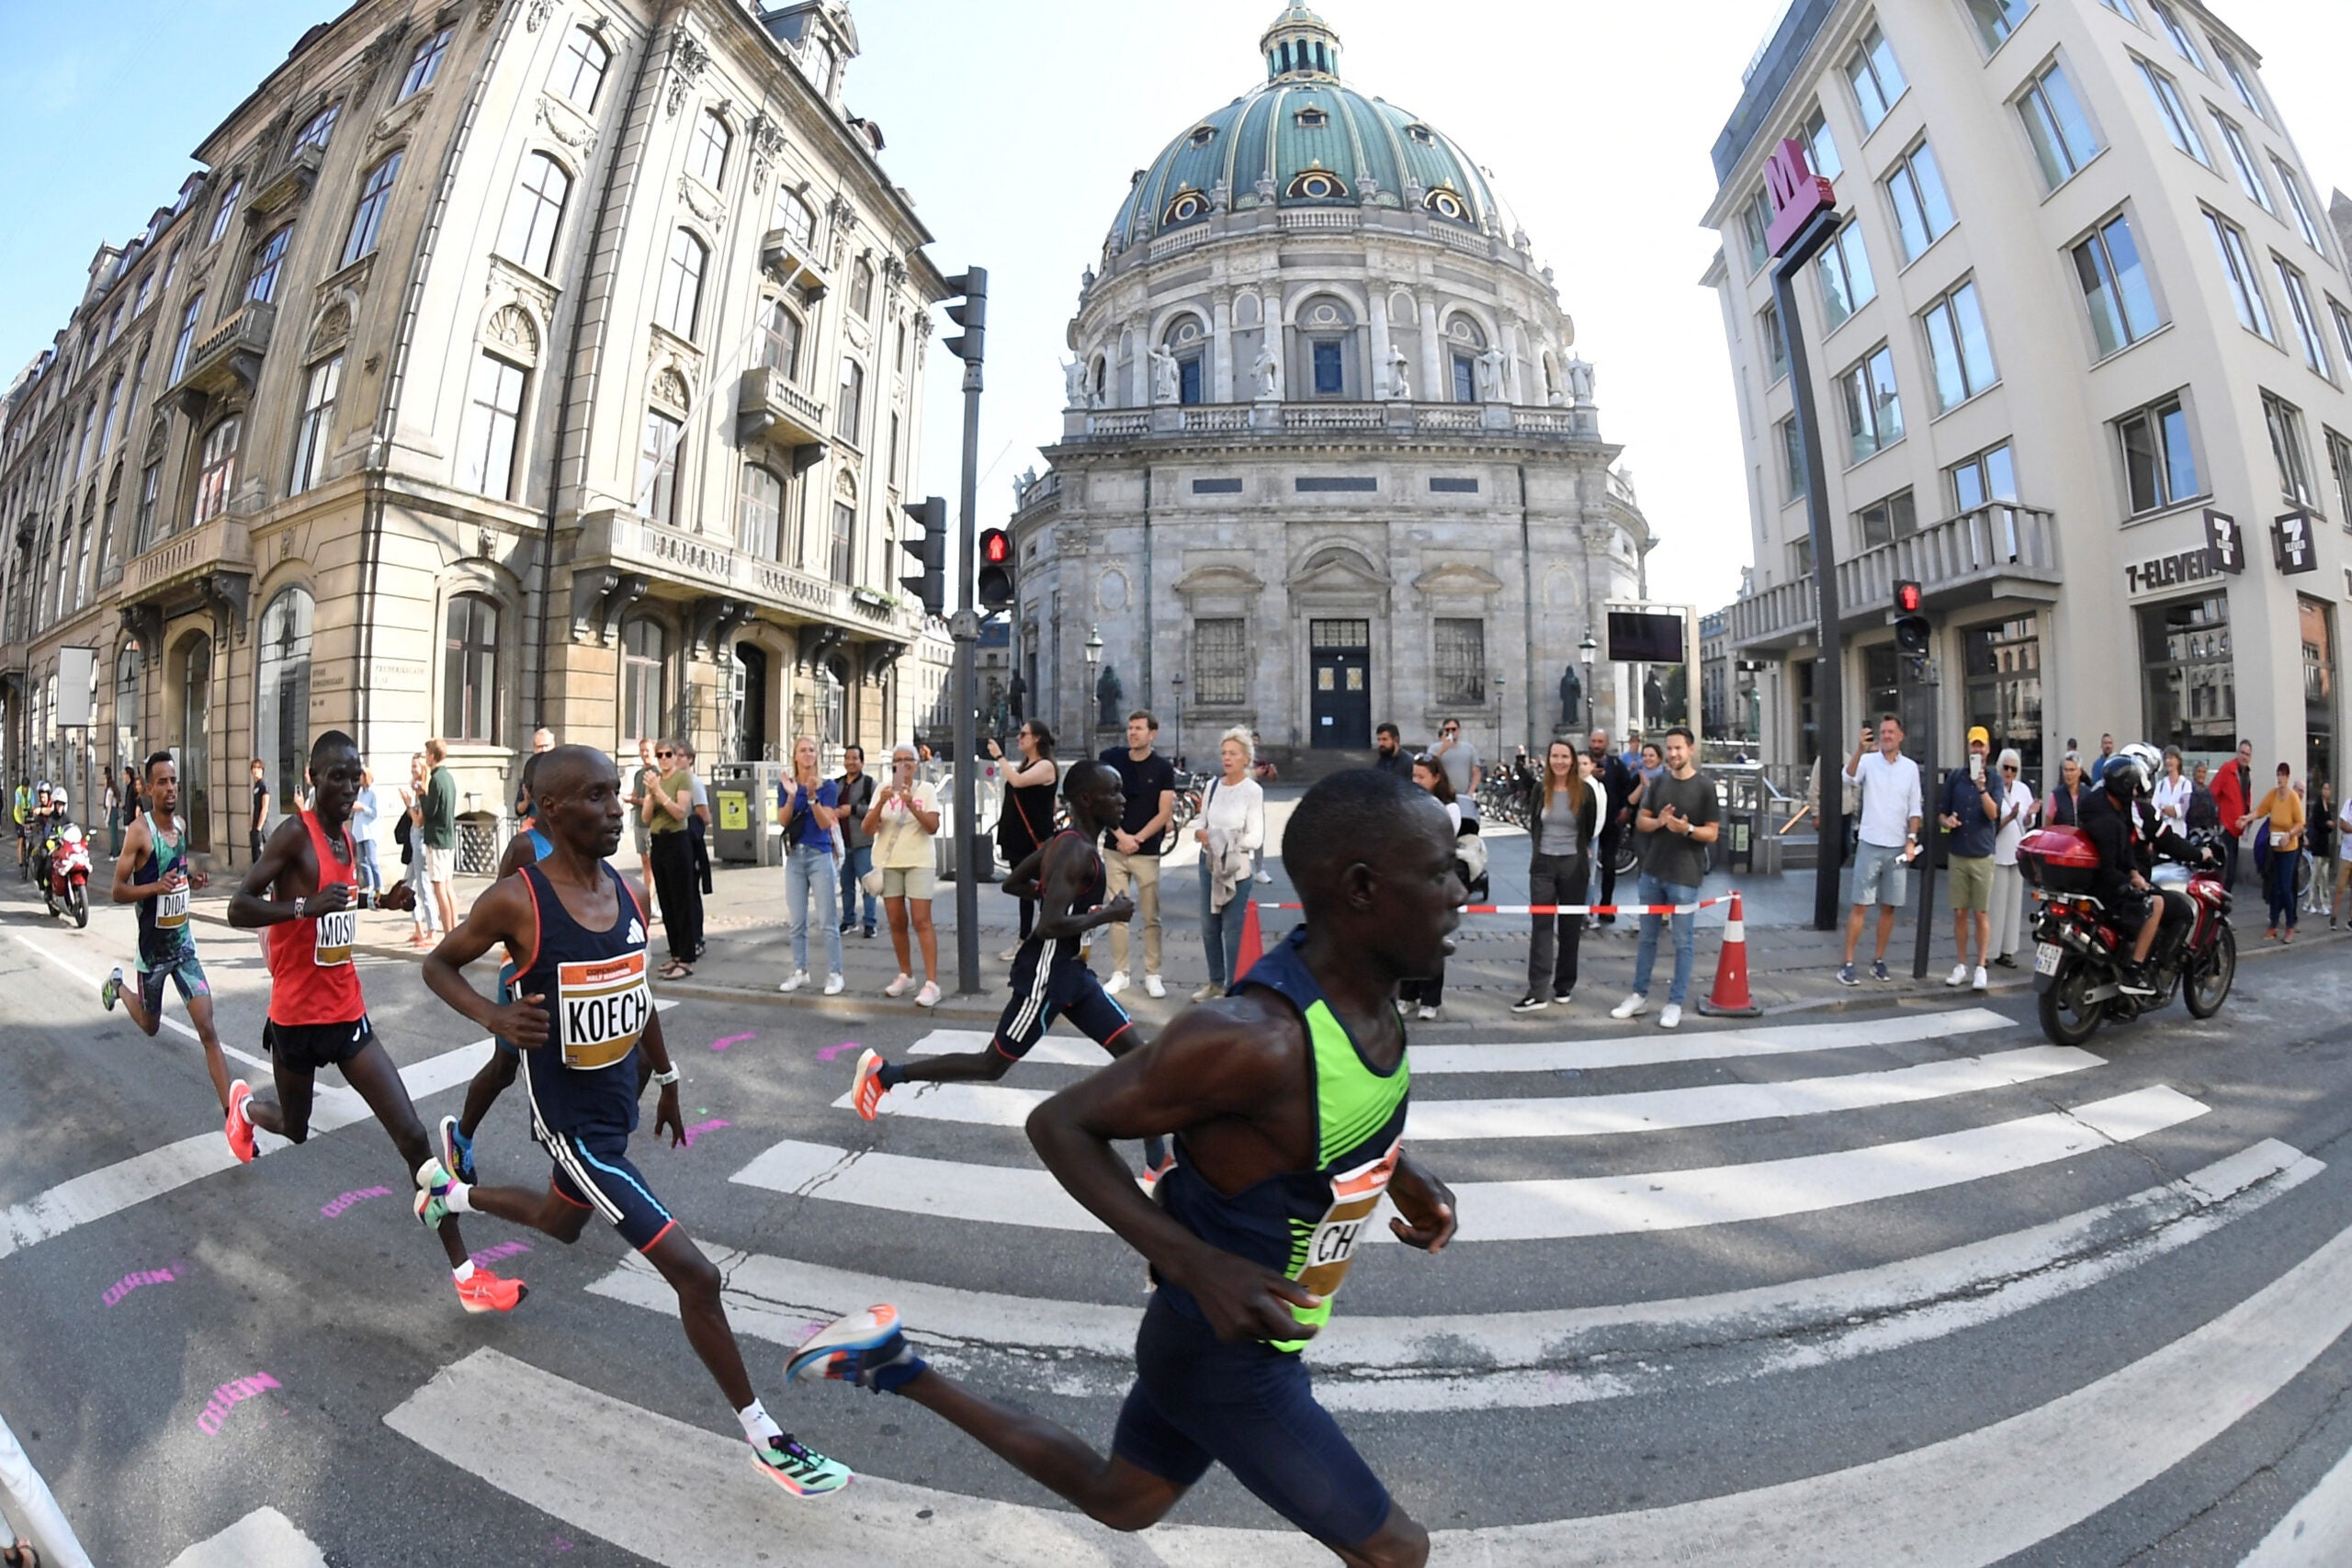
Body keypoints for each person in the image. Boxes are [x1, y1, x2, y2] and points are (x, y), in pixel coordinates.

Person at [798, 768, 1459, 1568]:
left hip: (1215, 1337)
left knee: (1123, 1498)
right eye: (1438, 870)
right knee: (1397, 1552)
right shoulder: (1254, 1036)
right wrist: (1196, 1262)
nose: (1460, 887)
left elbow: (1321, 1117)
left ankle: (894, 1364)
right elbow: (1061, 1124)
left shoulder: (1368, 993)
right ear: (1362, 889)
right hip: (1229, 1356)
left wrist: (1396, 1166)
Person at [418, 745, 852, 1497]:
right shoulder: (517, 899)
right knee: (696, 1273)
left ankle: (446, 1198)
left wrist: (671, 1077)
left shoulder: (624, 889)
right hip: (573, 1128)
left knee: (560, 1220)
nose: (617, 808)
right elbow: (438, 965)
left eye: (617, 793)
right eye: (596, 796)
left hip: (617, 1105)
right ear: (552, 809)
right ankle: (767, 1436)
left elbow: (638, 991)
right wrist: (496, 1014)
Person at [223, 730, 524, 1314]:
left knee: (413, 1137)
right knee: (295, 1125)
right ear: (312, 778)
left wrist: (383, 902)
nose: (346, 784)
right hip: (294, 1021)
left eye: (354, 774)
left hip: (348, 1014)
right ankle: (245, 1109)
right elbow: (241, 906)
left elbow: (341, 905)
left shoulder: (346, 842)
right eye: (335, 774)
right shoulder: (294, 834)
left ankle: (466, 1278)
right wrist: (301, 909)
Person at [851, 761, 1169, 1179]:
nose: (1124, 799)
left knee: (1139, 1057)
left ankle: (1157, 1160)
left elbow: (1014, 883)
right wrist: (1108, 914)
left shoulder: (1068, 844)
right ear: (1088, 800)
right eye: (1115, 791)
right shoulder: (1074, 850)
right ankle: (885, 1075)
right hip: (1046, 979)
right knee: (991, 1066)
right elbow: (1049, 925)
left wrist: (1052, 892)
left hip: (1073, 975)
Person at [101, 750, 239, 1153]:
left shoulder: (179, 826)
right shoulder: (138, 833)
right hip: (153, 955)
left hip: (184, 947)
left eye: (173, 780)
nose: (170, 788)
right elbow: (117, 890)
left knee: (208, 1029)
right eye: (161, 781)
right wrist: (153, 888)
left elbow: (174, 876)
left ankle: (233, 1117)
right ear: (147, 788)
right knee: (150, 1025)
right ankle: (119, 987)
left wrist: (190, 881)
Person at [435, 764, 558, 1187]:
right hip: (525, 976)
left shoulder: (583, 839)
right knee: (506, 1069)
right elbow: (497, 904)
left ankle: (574, 1166)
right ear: (534, 794)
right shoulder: (528, 846)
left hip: (568, 977)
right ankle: (461, 1137)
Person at [1610, 726, 1719, 1030]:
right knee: (1646, 938)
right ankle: (1639, 994)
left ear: (1691, 750)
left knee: (1683, 941)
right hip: (1653, 871)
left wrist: (1688, 830)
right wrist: (1660, 821)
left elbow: (1712, 832)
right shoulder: (1658, 784)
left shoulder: (1705, 787)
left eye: (1678, 749)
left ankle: (1675, 1002)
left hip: (1685, 874)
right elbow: (1642, 822)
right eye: (1669, 748)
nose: (1672, 754)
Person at [1838, 716, 1922, 986]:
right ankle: (1848, 962)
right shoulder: (1868, 761)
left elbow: (1915, 808)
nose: (1886, 736)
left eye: (1891, 732)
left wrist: (1911, 839)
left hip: (1897, 844)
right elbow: (1847, 777)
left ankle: (1878, 960)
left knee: (1889, 907)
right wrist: (1860, 749)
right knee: (1860, 904)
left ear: (1901, 736)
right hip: (1871, 842)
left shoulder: (1910, 768)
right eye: (1883, 732)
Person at [1099, 710, 1177, 999]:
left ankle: (1152, 974)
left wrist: (1138, 839)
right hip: (1115, 848)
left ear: (1152, 733)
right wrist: (1120, 836)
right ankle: (1120, 973)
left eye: (1139, 729)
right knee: (1117, 914)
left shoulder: (1162, 768)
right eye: (1130, 728)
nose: (1132, 733)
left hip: (1146, 851)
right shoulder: (1114, 762)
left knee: (1150, 915)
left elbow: (1164, 812)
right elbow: (1102, 803)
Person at [1516, 739, 1598, 1012]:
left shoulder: (1585, 792)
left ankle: (1564, 984)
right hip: (1543, 865)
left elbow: (1589, 827)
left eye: (1565, 756)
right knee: (1541, 927)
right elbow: (1534, 823)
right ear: (1548, 759)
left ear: (1572, 760)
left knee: (1570, 928)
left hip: (1573, 865)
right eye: (1555, 756)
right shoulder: (1541, 789)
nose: (1560, 761)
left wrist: (1580, 851)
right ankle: (1537, 990)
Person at [2080, 753, 2165, 992]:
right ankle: (2134, 970)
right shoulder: (2111, 822)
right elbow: (2110, 868)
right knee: (2157, 903)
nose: (2137, 793)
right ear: (2125, 787)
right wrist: (2133, 879)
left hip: (2086, 881)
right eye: (2134, 787)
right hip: (2105, 886)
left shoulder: (2094, 803)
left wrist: (2132, 871)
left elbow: (2124, 854)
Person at [866, 744, 943, 1007]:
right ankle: (905, 974)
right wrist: (880, 804)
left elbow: (933, 826)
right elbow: (867, 829)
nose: (903, 766)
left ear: (917, 763)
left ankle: (931, 983)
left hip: (919, 861)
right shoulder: (882, 790)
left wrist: (911, 803)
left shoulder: (926, 790)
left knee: (922, 920)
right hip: (889, 863)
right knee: (896, 920)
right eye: (897, 762)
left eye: (907, 761)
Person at [1192, 728, 1266, 1001]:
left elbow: (1256, 837)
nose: (1227, 758)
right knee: (1208, 925)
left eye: (1233, 754)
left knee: (1232, 930)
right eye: (1224, 753)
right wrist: (1203, 835)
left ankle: (1232, 988)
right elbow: (1201, 825)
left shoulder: (1252, 791)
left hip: (1237, 867)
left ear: (1246, 758)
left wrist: (1224, 841)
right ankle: (1214, 982)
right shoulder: (1212, 786)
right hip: (1209, 862)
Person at [776, 736, 842, 994]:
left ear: (817, 755)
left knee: (827, 919)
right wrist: (792, 797)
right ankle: (799, 970)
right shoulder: (788, 784)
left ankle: (836, 973)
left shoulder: (827, 787)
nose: (807, 754)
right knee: (797, 920)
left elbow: (826, 823)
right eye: (802, 750)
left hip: (819, 854)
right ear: (795, 756)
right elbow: (783, 820)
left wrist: (813, 797)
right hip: (795, 855)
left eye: (811, 750)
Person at [1939, 727, 2002, 992]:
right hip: (1958, 852)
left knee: (1981, 912)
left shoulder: (1994, 779)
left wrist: (1982, 789)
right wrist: (1948, 822)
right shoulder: (1955, 777)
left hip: (1982, 853)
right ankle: (1962, 964)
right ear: (1968, 748)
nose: (1977, 750)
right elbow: (1941, 814)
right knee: (1960, 912)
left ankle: (1981, 966)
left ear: (1988, 749)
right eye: (1973, 746)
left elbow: (1993, 814)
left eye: (1981, 746)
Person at [1398, 755, 1461, 1022]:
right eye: (1414, 776)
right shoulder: (1408, 803)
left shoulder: (1449, 808)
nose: (1417, 781)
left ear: (1436, 777)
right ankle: (1407, 994)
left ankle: (1431, 998)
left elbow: (1444, 843)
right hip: (1410, 877)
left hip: (1435, 879)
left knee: (1433, 940)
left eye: (1422, 776)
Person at [990, 722, 1059, 959]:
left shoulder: (1046, 766)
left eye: (1023, 734)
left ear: (1037, 738)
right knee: (1024, 892)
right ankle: (1025, 938)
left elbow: (1018, 782)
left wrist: (999, 756)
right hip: (1017, 837)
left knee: (1038, 889)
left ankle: (1042, 939)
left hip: (1035, 840)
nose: (1019, 738)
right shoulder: (1027, 765)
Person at [644, 740, 704, 979]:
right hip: (659, 842)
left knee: (682, 901)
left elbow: (680, 812)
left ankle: (687, 958)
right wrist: (650, 795)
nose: (665, 759)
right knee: (667, 902)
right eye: (660, 755)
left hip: (678, 841)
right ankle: (676, 954)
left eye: (669, 754)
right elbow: (647, 817)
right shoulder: (655, 780)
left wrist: (659, 792)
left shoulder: (682, 779)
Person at [2244, 762, 2305, 942]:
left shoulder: (2293, 797)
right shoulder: (2273, 795)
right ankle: (2273, 925)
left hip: (2289, 848)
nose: (2280, 779)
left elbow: (2300, 824)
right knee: (2274, 887)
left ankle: (2290, 925)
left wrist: (2289, 834)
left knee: (2286, 887)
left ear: (2288, 777)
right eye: (2278, 775)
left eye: (2283, 775)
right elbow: (2261, 811)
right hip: (2274, 847)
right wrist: (2247, 818)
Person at [1988, 749, 2037, 968]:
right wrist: (2009, 817)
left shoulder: (2023, 789)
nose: (2009, 772)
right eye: (2005, 767)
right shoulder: (1993, 788)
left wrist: (2027, 816)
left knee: (2013, 904)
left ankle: (2008, 951)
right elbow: (1990, 825)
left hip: (2017, 854)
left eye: (2013, 769)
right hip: (1998, 852)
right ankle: (1990, 951)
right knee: (1995, 905)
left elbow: (2028, 823)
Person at [1588, 729, 1635, 925]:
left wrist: (1626, 809)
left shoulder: (1616, 765)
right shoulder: (1582, 762)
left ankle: (1605, 907)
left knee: (1608, 868)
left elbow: (1628, 787)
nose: (1597, 745)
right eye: (1594, 741)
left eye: (1600, 741)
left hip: (1610, 823)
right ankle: (1584, 909)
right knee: (1583, 870)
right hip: (1586, 825)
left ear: (1606, 744)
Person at [833, 745, 879, 941]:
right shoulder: (836, 784)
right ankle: (848, 920)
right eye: (847, 758)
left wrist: (852, 810)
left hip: (863, 842)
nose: (850, 762)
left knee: (868, 885)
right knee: (846, 885)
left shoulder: (869, 784)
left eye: (855, 758)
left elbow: (875, 809)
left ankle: (870, 923)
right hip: (842, 843)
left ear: (862, 762)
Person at [421, 738, 459, 941]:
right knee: (448, 886)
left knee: (439, 888)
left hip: (437, 839)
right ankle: (454, 931)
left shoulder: (436, 779)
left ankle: (448, 935)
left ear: (433, 756)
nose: (425, 757)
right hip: (449, 839)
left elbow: (429, 810)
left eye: (427, 753)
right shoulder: (449, 778)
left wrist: (421, 793)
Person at [2211, 739, 2256, 886]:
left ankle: (2224, 902)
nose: (2244, 757)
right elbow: (2212, 794)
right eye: (2242, 753)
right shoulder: (2227, 769)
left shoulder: (2246, 775)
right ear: (2237, 753)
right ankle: (2219, 903)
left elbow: (2245, 800)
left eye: (2247, 754)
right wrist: (2217, 820)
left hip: (2237, 830)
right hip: (2226, 829)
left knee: (2231, 873)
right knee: (2226, 872)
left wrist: (2248, 819)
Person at [627, 737, 661, 924]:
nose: (644, 754)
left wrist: (634, 800)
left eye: (647, 750)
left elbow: (652, 801)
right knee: (645, 862)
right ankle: (648, 900)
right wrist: (630, 798)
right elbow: (635, 794)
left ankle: (649, 901)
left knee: (651, 864)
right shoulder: (639, 774)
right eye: (642, 751)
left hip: (651, 824)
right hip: (639, 822)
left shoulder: (657, 773)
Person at [1430, 719, 1482, 825]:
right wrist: (1442, 750)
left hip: (1463, 796)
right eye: (1447, 730)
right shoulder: (1435, 748)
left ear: (1458, 730)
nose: (1451, 732)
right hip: (1441, 797)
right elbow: (1429, 767)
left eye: (1453, 729)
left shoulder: (1468, 748)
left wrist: (1470, 793)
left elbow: (1476, 771)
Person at [349, 768, 383, 897]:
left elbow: (375, 813)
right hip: (359, 831)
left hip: (369, 831)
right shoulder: (360, 793)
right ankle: (369, 885)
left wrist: (362, 807)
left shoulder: (374, 793)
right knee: (362, 860)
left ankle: (378, 885)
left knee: (372, 860)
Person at [512, 728, 555, 821]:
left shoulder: (563, 769)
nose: (543, 750)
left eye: (547, 746)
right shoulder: (530, 772)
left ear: (553, 745)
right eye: (540, 746)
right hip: (535, 826)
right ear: (534, 749)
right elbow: (519, 810)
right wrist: (527, 800)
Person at [2306, 781, 2335, 919]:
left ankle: (2325, 903)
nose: (2327, 791)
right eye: (2325, 788)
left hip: (2325, 844)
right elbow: (2317, 823)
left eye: (2328, 789)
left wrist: (2330, 825)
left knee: (2324, 876)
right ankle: (2310, 902)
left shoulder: (2327, 806)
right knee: (2316, 875)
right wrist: (2326, 824)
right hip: (2318, 844)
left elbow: (2328, 825)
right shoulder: (2318, 806)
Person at [2152, 749, 2193, 840]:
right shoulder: (2161, 785)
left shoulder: (2185, 784)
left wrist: (2163, 808)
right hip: (2162, 835)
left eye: (2171, 758)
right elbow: (2154, 811)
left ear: (2178, 761)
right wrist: (2169, 810)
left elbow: (2182, 811)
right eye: (2166, 758)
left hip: (2179, 834)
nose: (2168, 761)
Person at [2045, 751, 2087, 828]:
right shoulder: (2056, 795)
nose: (2068, 774)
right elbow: (2048, 825)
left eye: (2072, 770)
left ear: (2079, 772)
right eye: (2066, 770)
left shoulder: (2088, 794)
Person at [2333, 784, 2352, 931]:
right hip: (2346, 853)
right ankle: (2334, 916)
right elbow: (2342, 824)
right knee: (2340, 887)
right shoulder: (2349, 804)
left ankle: (2350, 919)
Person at [248, 758, 270, 865]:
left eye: (258, 768)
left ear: (262, 770)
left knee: (261, 856)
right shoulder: (256, 787)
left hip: (262, 827)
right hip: (255, 825)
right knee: (255, 855)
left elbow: (264, 807)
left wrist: (259, 828)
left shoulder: (263, 785)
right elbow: (255, 807)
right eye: (254, 768)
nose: (256, 770)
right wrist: (251, 826)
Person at [103, 770, 121, 859]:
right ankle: (113, 851)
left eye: (105, 780)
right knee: (112, 833)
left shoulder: (110, 791)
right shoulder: (109, 790)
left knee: (113, 834)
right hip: (111, 811)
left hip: (112, 811)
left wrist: (107, 817)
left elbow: (109, 805)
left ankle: (116, 853)